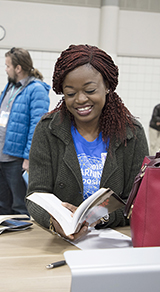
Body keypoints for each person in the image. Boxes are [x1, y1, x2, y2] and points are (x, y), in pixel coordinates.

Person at [26, 44, 149, 241]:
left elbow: (137, 201)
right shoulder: (48, 130)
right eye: (70, 93)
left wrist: (101, 217)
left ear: (107, 86)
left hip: (114, 241)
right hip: (61, 242)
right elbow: (36, 194)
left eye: (90, 90)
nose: (80, 100)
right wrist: (54, 222)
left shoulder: (131, 133)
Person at [0, 47, 50, 215]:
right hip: (0, 156)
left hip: (16, 159)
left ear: (18, 68)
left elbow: (37, 126)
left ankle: (20, 241)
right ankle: (4, 239)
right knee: (2, 203)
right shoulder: (10, 87)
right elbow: (3, 116)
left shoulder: (36, 90)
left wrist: (28, 157)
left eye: (7, 66)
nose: (5, 69)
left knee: (19, 206)